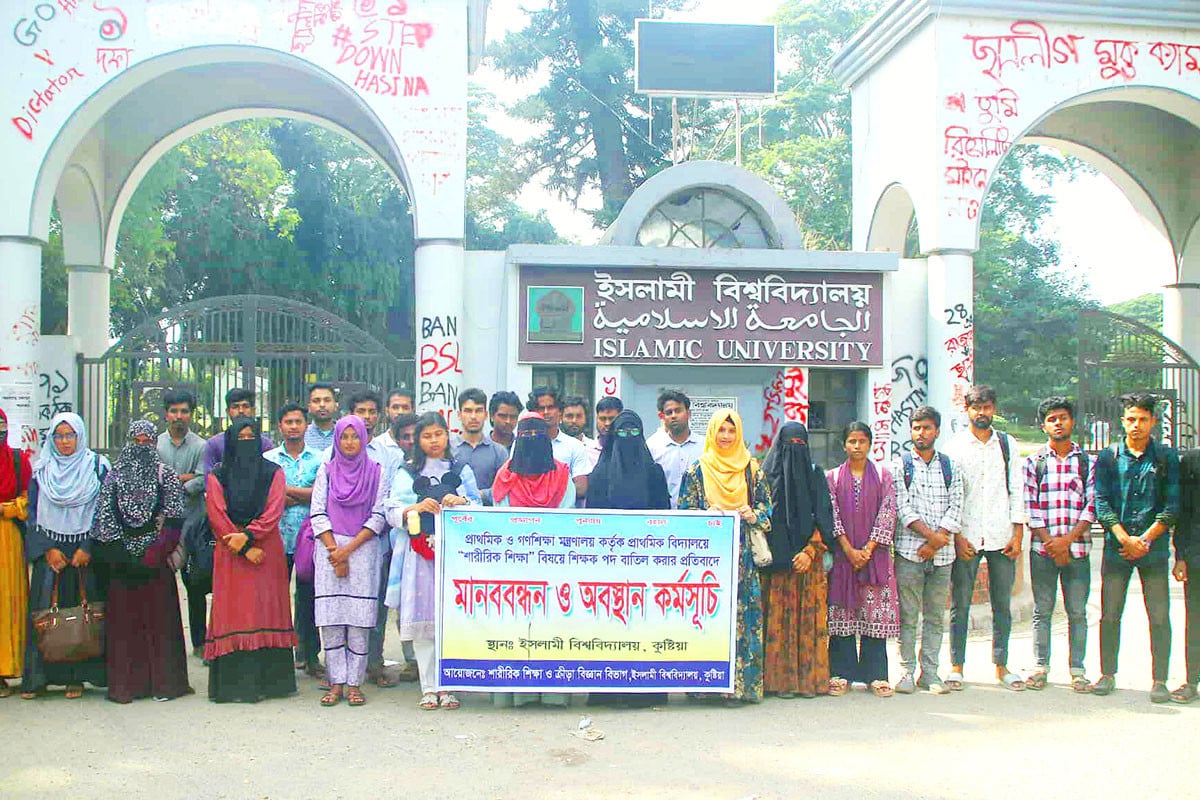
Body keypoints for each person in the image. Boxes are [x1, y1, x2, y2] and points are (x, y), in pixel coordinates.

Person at [385, 413, 480, 710]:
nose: (434, 441)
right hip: (418, 555)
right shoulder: (407, 472)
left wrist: (461, 502)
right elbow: (391, 510)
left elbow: (479, 505)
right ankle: (428, 687)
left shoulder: (460, 469)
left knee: (450, 620)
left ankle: (448, 685)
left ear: (447, 435)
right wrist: (416, 507)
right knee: (423, 617)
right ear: (418, 440)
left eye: (438, 434)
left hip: (454, 556)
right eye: (427, 436)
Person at [93, 420, 191, 703]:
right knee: (125, 626)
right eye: (137, 441)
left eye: (148, 441)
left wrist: (152, 556)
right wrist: (124, 557)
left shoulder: (166, 475)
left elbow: (174, 520)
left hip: (156, 563)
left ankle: (164, 684)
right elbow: (105, 519)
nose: (142, 446)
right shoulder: (114, 476)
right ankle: (129, 685)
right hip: (122, 563)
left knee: (160, 624)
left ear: (155, 443)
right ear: (128, 442)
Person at [677, 409, 771, 705]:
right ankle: (704, 685)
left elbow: (768, 508)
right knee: (708, 615)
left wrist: (753, 514)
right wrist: (706, 515)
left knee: (743, 617)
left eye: (732, 431)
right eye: (721, 430)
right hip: (709, 558)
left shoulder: (751, 470)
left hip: (743, 557)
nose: (726, 436)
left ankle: (741, 688)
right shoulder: (697, 470)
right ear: (712, 433)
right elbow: (684, 512)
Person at [1091, 392, 1179, 702]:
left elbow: (1172, 505)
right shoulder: (1109, 456)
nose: (1136, 425)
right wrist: (1124, 538)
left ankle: (1160, 680)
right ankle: (1107, 673)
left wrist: (1145, 540)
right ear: (1122, 421)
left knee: (1159, 615)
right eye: (1131, 419)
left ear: (1153, 421)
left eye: (1143, 419)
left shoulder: (1166, 457)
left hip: (1153, 550)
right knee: (1110, 614)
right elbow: (1101, 502)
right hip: (1118, 548)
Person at [204, 418, 297, 703]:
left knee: (266, 608)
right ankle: (235, 685)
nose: (246, 443)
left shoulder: (274, 472)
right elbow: (217, 516)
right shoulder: (217, 475)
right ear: (230, 441)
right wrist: (244, 548)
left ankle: (272, 684)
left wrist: (249, 536)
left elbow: (273, 510)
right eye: (240, 438)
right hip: (230, 551)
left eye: (250, 438)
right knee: (234, 611)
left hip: (266, 550)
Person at [21, 413, 111, 700]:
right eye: (58, 436)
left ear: (79, 436)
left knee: (82, 614)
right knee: (44, 613)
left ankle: (77, 678)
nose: (64, 441)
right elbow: (31, 513)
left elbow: (104, 510)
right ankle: (39, 679)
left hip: (83, 552)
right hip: (51, 552)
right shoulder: (42, 469)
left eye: (70, 435)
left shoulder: (97, 467)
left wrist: (87, 547)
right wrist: (48, 548)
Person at [584, 409, 670, 708]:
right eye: (622, 432)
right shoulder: (600, 475)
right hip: (608, 569)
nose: (628, 437)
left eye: (634, 432)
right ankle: (605, 691)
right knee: (608, 626)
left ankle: (646, 691)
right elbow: (592, 523)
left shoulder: (654, 473)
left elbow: (664, 520)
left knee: (645, 626)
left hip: (647, 567)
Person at [944, 385, 1026, 691]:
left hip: (1000, 534)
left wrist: (1018, 532)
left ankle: (1002, 666)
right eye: (976, 407)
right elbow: (952, 495)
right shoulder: (955, 447)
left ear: (994, 409)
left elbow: (1017, 489)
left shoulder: (1007, 444)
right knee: (960, 604)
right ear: (967, 410)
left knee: (1002, 605)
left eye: (987, 407)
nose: (982, 412)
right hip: (966, 535)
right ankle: (956, 667)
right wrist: (956, 536)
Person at [488, 411, 573, 708]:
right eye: (526, 435)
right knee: (514, 628)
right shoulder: (505, 476)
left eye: (538, 434)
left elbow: (565, 518)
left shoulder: (562, 475)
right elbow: (501, 520)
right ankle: (516, 694)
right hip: (515, 567)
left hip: (554, 565)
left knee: (553, 628)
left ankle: (553, 694)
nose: (532, 440)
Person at [310, 416, 390, 707]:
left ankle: (354, 684)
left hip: (363, 549)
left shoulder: (377, 472)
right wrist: (335, 551)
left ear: (364, 438)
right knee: (331, 620)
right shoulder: (327, 470)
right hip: (329, 548)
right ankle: (336, 682)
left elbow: (379, 516)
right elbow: (317, 512)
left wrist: (348, 550)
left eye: (355, 436)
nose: (349, 442)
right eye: (344, 437)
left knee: (358, 622)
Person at [1022, 397, 1094, 693]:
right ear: (1043, 426)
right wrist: (1051, 542)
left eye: (1063, 417)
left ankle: (1078, 670)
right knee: (1043, 610)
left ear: (1072, 421)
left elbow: (1092, 505)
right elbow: (1030, 506)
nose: (1058, 423)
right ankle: (1040, 667)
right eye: (1052, 419)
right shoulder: (1034, 463)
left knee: (1077, 611)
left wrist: (1067, 541)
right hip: (1043, 551)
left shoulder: (1087, 462)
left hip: (1077, 550)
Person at [760, 421, 835, 699]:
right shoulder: (765, 477)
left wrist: (810, 551)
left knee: (807, 623)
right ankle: (777, 682)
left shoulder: (815, 475)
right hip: (775, 566)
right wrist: (781, 555)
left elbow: (825, 518)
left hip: (808, 565)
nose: (795, 450)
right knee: (777, 623)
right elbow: (762, 520)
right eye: (790, 445)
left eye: (800, 444)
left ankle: (807, 682)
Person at [892, 406, 963, 696]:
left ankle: (930, 672)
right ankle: (906, 671)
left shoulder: (950, 466)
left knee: (935, 616)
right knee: (908, 616)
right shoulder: (899, 466)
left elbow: (957, 505)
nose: (921, 433)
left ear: (937, 431)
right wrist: (930, 537)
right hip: (910, 552)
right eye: (916, 428)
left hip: (942, 555)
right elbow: (902, 508)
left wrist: (936, 541)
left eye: (927, 428)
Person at [826, 422, 899, 698]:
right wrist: (848, 549)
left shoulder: (883, 476)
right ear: (844, 444)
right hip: (843, 558)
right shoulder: (832, 477)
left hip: (874, 558)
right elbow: (832, 515)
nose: (857, 446)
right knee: (842, 613)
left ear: (870, 444)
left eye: (862, 441)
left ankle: (876, 675)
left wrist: (867, 549)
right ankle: (841, 673)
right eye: (852, 441)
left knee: (874, 616)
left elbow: (888, 512)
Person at [263, 403, 323, 679]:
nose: (294, 426)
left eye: (298, 421)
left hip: (310, 539)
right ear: (280, 426)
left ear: (305, 425)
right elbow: (266, 496)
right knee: (275, 599)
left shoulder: (320, 459)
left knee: (308, 598)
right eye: (288, 422)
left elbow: (320, 494)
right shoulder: (268, 459)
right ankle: (277, 658)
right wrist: (302, 494)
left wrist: (285, 491)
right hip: (276, 537)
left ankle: (310, 656)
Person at [155, 389, 208, 657]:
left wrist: (171, 481)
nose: (179, 416)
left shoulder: (201, 446)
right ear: (166, 414)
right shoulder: (155, 445)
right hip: (162, 524)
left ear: (191, 414)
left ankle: (200, 642)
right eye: (174, 411)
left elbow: (203, 480)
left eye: (184, 411)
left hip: (193, 525)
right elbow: (151, 481)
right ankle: (164, 643)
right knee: (160, 584)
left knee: (194, 584)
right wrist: (183, 478)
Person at [0, 408, 31, 697]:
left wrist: (8, 508)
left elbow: (28, 498)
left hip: (9, 540)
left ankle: (8, 667)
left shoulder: (18, 461)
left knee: (8, 603)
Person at [528, 386, 592, 502]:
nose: (546, 412)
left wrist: (542, 494)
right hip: (528, 510)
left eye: (551, 407)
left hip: (564, 511)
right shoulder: (522, 444)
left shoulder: (575, 446)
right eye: (541, 408)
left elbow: (581, 489)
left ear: (560, 411)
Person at [647, 389, 703, 508]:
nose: (673, 416)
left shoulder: (705, 446)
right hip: (663, 515)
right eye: (669, 412)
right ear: (662, 417)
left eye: (678, 411)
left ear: (689, 414)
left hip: (698, 515)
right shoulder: (652, 447)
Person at [452, 388, 509, 505]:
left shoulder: (499, 452)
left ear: (486, 415)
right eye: (468, 411)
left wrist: (477, 495)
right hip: (453, 513)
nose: (473, 416)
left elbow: (505, 488)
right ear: (459, 415)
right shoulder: (449, 449)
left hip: (488, 514)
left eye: (478, 411)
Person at [1174, 445, 1200, 703]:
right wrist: (1180, 555)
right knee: (1196, 621)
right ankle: (1192, 681)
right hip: (1196, 555)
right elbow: (1182, 512)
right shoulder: (1192, 461)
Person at [202, 388, 273, 473]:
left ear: (253, 411)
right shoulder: (214, 444)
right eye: (235, 407)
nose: (241, 411)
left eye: (245, 406)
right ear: (228, 411)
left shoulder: (265, 444)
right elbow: (209, 475)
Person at [305, 383, 339, 452]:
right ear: (309, 407)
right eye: (316, 401)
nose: (322, 405)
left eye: (327, 400)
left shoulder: (344, 434)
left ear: (335, 405)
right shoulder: (302, 435)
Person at [591, 396, 624, 466]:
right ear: (596, 419)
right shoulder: (586, 452)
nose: (607, 423)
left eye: (612, 419)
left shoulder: (627, 450)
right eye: (602, 419)